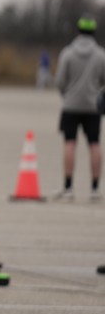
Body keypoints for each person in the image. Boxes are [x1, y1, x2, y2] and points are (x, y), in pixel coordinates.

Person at [53, 17, 105, 202]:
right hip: (93, 106)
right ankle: (95, 189)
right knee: (94, 144)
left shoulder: (67, 53)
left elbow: (60, 81)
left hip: (71, 105)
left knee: (70, 142)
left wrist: (67, 95)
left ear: (78, 31)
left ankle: (68, 188)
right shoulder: (101, 55)